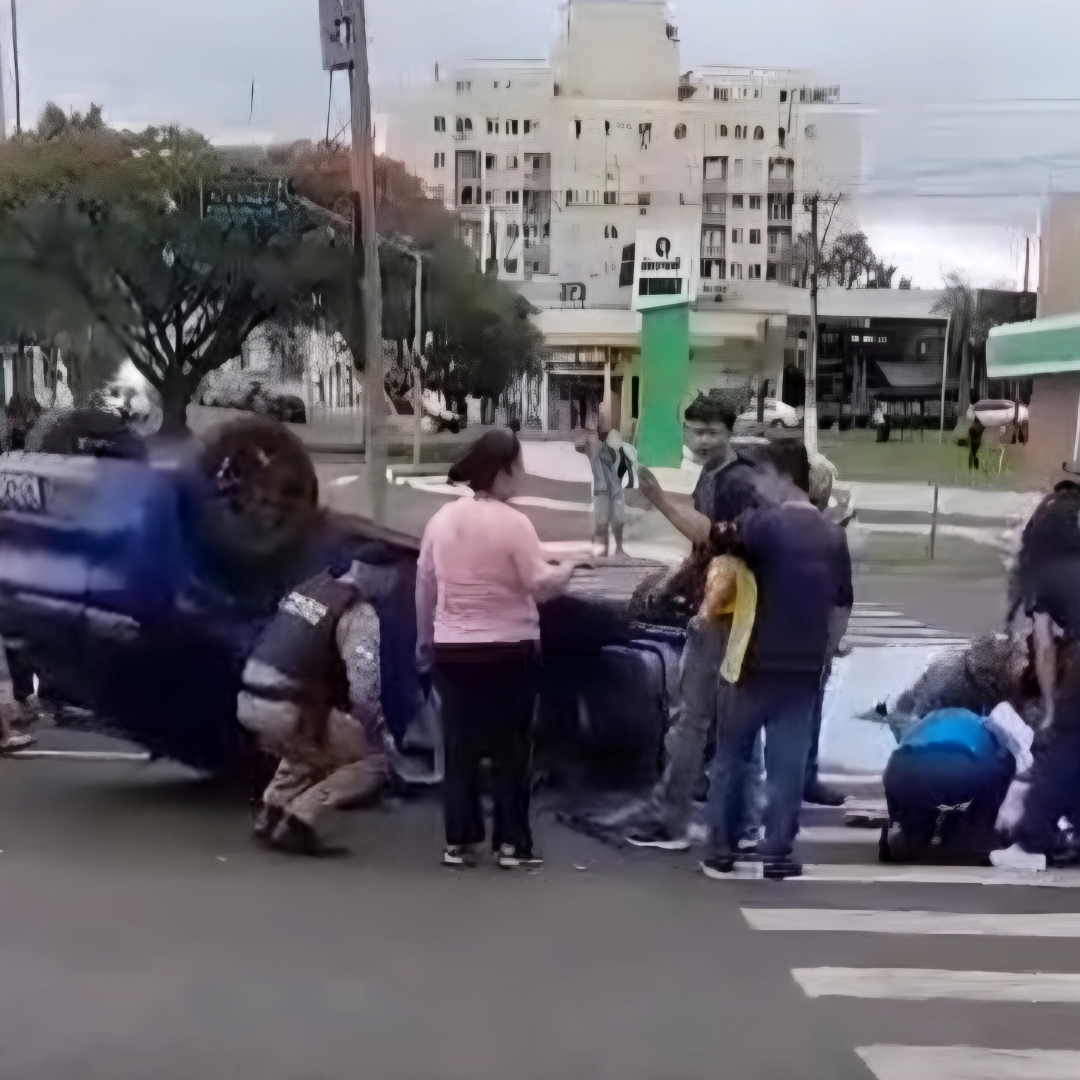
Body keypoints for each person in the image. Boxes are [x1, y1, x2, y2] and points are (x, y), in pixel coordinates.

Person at [417, 429, 582, 868]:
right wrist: (567, 569)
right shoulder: (514, 523)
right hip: (509, 649)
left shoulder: (441, 521)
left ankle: (460, 842)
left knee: (460, 747)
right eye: (519, 466)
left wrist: (424, 636)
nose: (523, 475)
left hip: (453, 649)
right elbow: (540, 587)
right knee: (512, 749)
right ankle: (512, 845)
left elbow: (425, 584)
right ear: (503, 470)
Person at [626, 399, 776, 850]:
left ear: (729, 432)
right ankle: (745, 822)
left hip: (732, 612)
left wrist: (657, 500)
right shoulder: (714, 475)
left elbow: (711, 536)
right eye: (695, 431)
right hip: (730, 607)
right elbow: (703, 552)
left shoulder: (738, 481)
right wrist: (678, 580)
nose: (703, 440)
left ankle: (672, 821)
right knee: (724, 719)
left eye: (712, 431)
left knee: (693, 720)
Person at [701, 489, 852, 880]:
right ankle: (778, 852)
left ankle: (720, 849)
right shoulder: (834, 536)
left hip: (750, 664)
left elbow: (716, 539)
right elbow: (842, 604)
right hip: (803, 670)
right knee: (788, 765)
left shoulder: (760, 524)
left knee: (731, 758)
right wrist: (827, 654)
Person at [237, 558, 391, 856]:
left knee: (317, 743)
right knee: (370, 762)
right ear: (379, 576)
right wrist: (374, 730)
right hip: (286, 708)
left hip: (251, 699)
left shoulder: (308, 590)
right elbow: (365, 686)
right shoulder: (359, 614)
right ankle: (300, 819)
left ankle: (272, 809)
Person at [575, 423, 628, 557]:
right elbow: (606, 479)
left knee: (618, 522)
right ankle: (601, 551)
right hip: (603, 492)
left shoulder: (617, 453)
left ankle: (618, 549)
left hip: (614, 492)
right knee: (602, 523)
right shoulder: (600, 456)